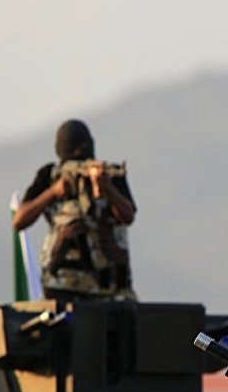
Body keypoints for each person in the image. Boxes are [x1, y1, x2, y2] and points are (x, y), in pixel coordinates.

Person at [12, 119, 137, 302]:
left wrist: (107, 189)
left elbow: (128, 216)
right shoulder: (50, 177)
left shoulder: (109, 175)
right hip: (63, 285)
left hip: (110, 287)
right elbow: (20, 220)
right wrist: (54, 192)